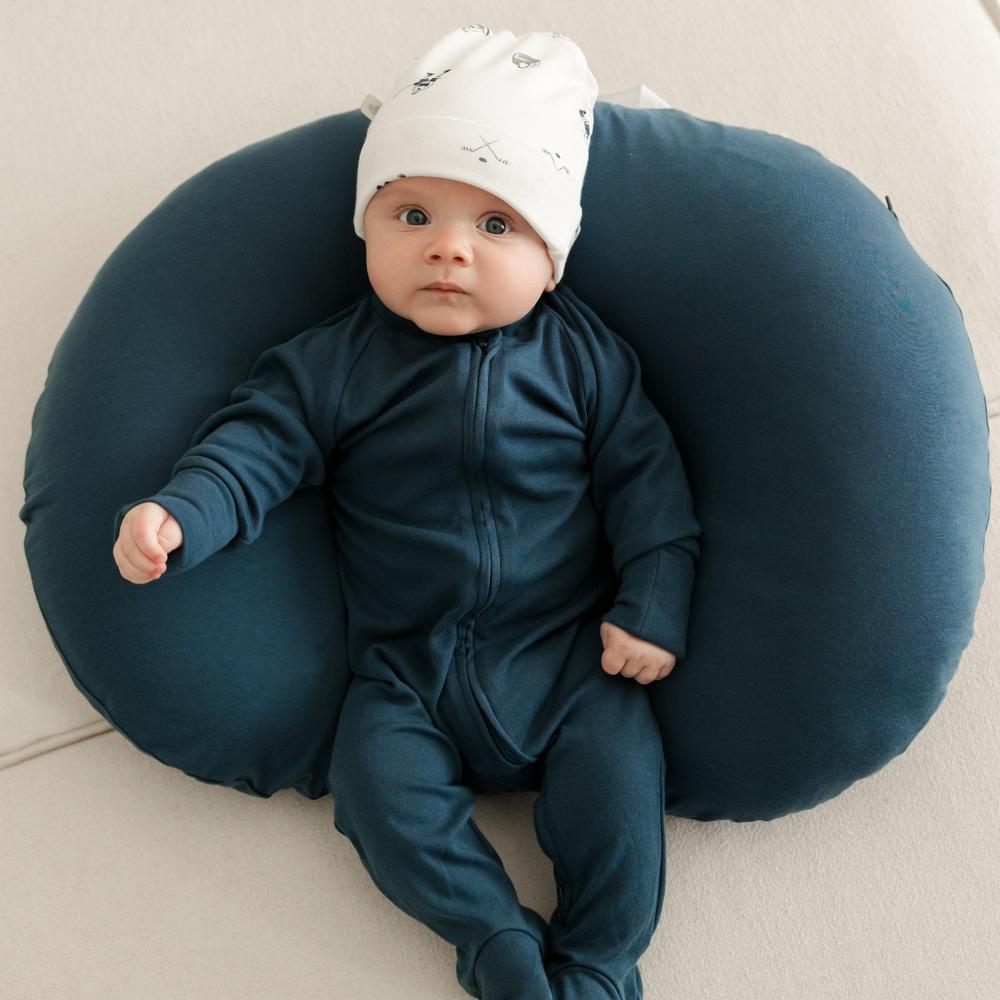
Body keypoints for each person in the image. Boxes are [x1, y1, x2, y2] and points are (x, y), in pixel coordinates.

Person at [112, 24, 701, 1000]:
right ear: (367, 229)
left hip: (568, 657)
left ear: (552, 258)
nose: (448, 248)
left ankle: (600, 959)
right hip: (404, 672)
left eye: (497, 225)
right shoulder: (335, 363)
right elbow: (254, 445)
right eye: (413, 214)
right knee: (374, 787)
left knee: (620, 770)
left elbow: (653, 488)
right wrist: (182, 513)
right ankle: (493, 940)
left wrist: (653, 604)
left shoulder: (586, 361)